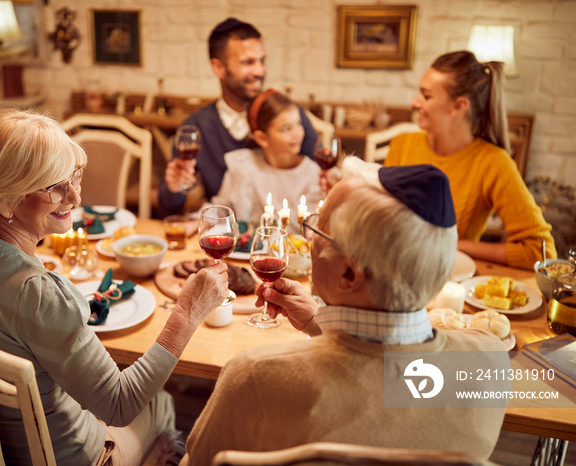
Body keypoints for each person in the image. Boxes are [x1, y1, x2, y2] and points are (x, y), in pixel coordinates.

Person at [0, 109, 230, 465]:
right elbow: (119, 404)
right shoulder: (37, 291)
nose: (75, 198)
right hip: (63, 457)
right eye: (54, 187)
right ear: (8, 196)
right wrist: (187, 313)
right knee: (160, 401)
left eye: (74, 177)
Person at [181, 158, 508, 464]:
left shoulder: (255, 377)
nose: (309, 240)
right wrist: (317, 320)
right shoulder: (489, 359)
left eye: (317, 231)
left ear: (349, 274)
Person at [384, 50, 555, 269]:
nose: (414, 103)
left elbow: (540, 250)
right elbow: (383, 213)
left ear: (459, 106)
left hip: (445, 278)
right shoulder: (403, 144)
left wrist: (453, 244)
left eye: (426, 96)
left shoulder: (493, 162)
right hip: (392, 267)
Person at [158, 17, 319, 216]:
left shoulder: (288, 116)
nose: (260, 71)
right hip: (229, 236)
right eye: (248, 62)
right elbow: (169, 207)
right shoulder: (196, 126)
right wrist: (174, 187)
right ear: (218, 68)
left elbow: (317, 180)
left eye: (262, 61)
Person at [209, 88, 324, 222]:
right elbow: (221, 210)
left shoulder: (314, 175)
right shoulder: (244, 165)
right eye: (286, 128)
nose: (297, 134)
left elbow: (313, 226)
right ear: (262, 138)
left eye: (298, 124)